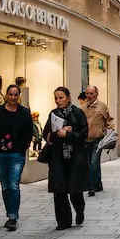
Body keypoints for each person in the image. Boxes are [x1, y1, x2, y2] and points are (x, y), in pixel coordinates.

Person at [0, 84, 35, 231]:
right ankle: (9, 212)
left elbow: (28, 132)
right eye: (10, 95)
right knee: (5, 185)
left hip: (16, 154)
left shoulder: (24, 112)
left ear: (19, 95)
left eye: (15, 95)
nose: (13, 97)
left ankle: (13, 216)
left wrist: (23, 147)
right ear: (7, 95)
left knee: (13, 184)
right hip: (0, 153)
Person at [43, 87, 89, 229]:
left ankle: (79, 210)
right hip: (58, 157)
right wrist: (58, 134)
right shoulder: (53, 114)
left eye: (61, 98)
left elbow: (84, 135)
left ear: (68, 98)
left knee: (75, 190)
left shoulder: (78, 113)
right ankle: (63, 221)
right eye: (56, 98)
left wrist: (69, 134)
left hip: (74, 157)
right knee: (59, 189)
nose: (58, 101)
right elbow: (46, 134)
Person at [80, 85, 113, 197]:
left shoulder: (102, 106)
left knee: (94, 162)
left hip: (98, 139)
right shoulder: (83, 107)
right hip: (86, 139)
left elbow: (109, 120)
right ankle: (98, 184)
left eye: (91, 93)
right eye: (87, 93)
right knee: (90, 163)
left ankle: (91, 187)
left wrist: (110, 133)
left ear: (96, 94)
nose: (89, 96)